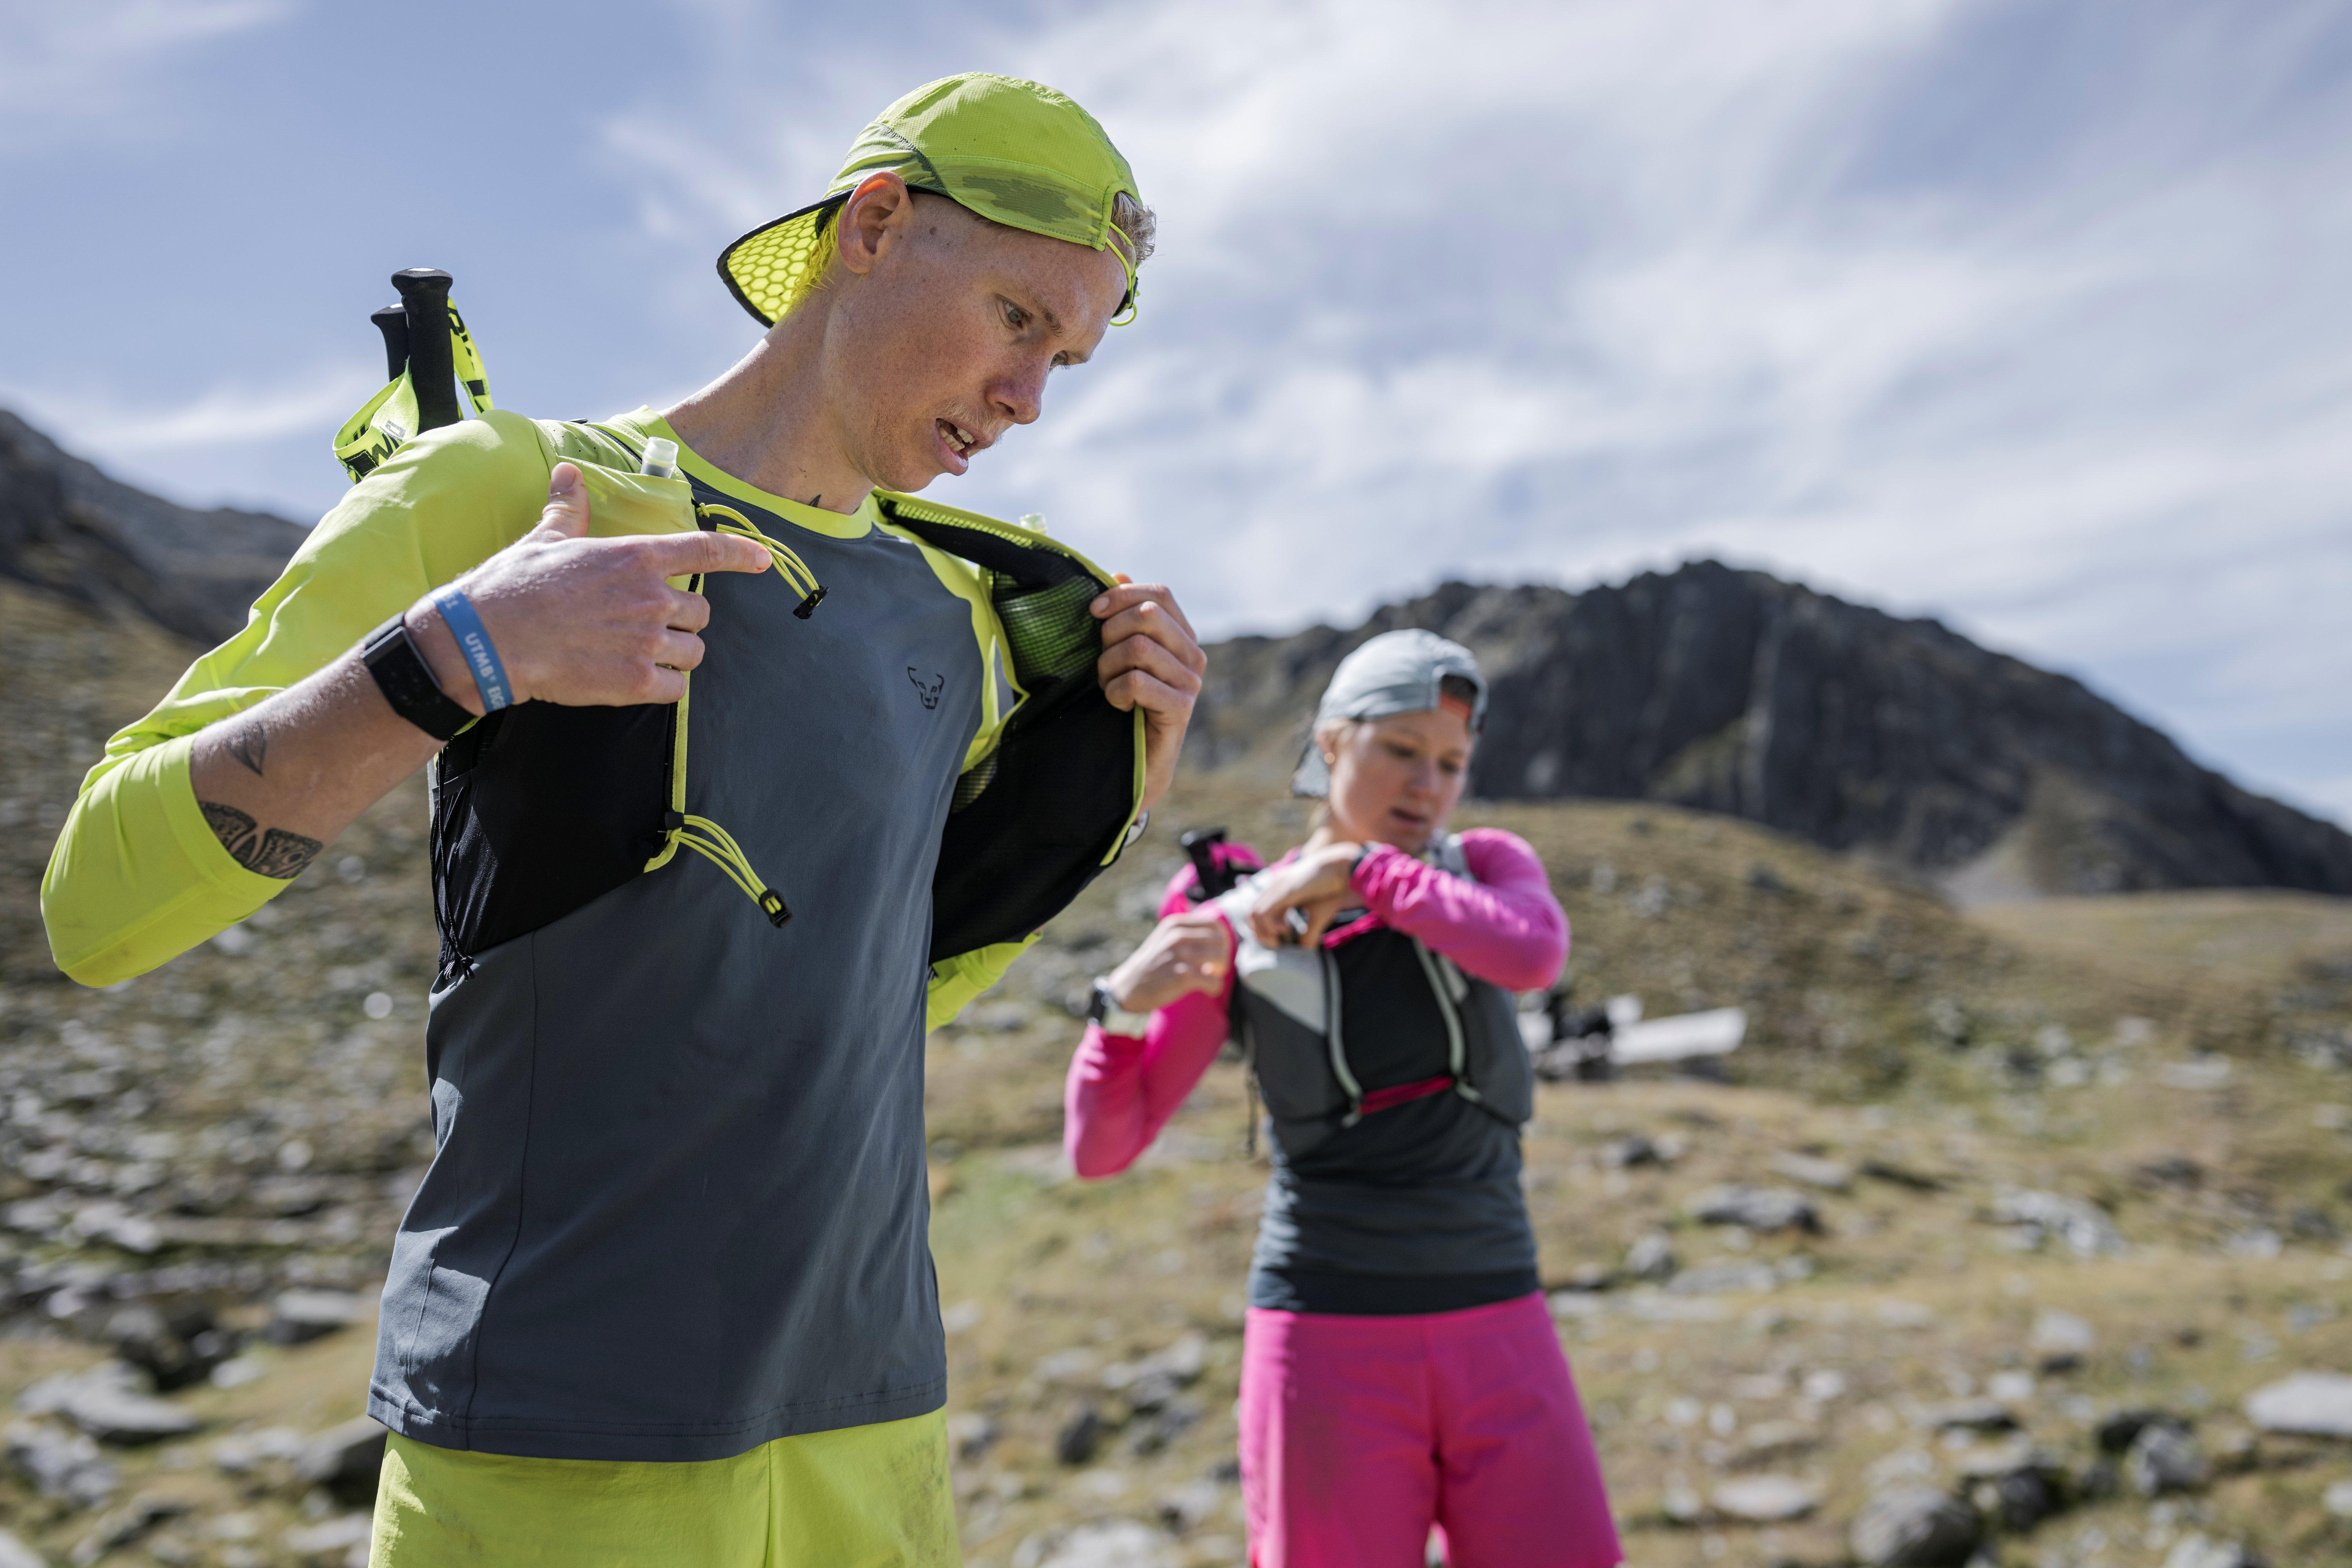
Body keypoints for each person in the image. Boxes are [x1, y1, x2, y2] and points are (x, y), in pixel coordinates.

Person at [42, 74, 1204, 1566]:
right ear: (872, 226)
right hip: (549, 1444)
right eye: (1016, 317)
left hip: (872, 1436)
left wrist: (1123, 778)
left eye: (1068, 358)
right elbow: (95, 905)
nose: (1027, 395)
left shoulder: (964, 618)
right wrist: (457, 655)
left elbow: (867, 995)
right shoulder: (515, 493)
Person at [1063, 630, 1620, 1568]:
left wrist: (1361, 870)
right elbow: (1101, 1149)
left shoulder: (1485, 866)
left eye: (1451, 762)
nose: (1428, 784)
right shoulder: (1237, 915)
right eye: (1400, 749)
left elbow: (1533, 954)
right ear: (1330, 743)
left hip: (1501, 1315)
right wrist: (1116, 1010)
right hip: (1326, 1337)